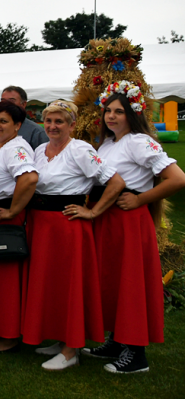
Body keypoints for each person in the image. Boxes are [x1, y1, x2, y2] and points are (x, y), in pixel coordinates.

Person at [80, 82, 185, 373]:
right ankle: (117, 341)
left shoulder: (140, 141)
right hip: (108, 219)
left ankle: (136, 354)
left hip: (127, 222)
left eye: (119, 112)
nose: (111, 117)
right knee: (112, 280)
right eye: (107, 111)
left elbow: (178, 179)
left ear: (133, 114)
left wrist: (140, 200)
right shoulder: (110, 142)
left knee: (130, 282)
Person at [21, 100, 125, 371]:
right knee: (50, 284)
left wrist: (93, 212)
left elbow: (116, 182)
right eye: (49, 121)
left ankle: (71, 350)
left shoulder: (81, 150)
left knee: (70, 285)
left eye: (59, 122)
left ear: (72, 125)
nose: (53, 126)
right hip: (42, 225)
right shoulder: (40, 149)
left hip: (67, 226)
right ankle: (59, 337)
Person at [0, 100, 39, 352]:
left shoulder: (17, 147)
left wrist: (14, 209)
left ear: (18, 126)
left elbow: (29, 178)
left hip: (5, 218)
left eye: (4, 121)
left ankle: (9, 332)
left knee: (6, 281)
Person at [0, 86, 48, 158]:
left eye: (11, 101)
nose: (5, 105)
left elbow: (42, 163)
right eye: (3, 101)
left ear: (23, 104)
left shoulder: (36, 132)